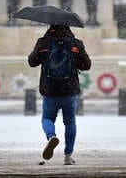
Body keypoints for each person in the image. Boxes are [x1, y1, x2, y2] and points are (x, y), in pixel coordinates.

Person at [28, 24, 91, 165]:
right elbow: (86, 65)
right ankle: (68, 155)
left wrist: (41, 51)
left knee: (47, 119)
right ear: (68, 27)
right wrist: (75, 59)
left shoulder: (43, 42)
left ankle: (51, 136)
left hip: (50, 90)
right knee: (70, 122)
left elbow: (32, 62)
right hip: (69, 90)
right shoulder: (76, 43)